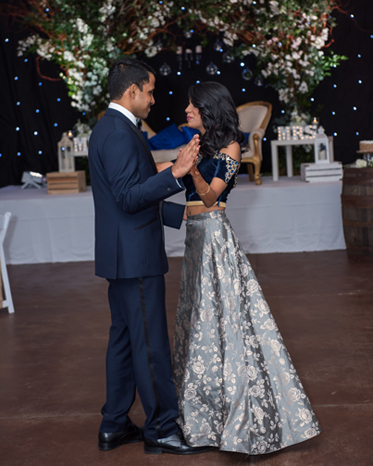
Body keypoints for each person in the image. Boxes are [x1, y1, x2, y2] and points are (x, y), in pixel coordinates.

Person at [170, 82, 322, 455]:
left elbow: (211, 195)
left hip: (213, 238)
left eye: (193, 104)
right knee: (196, 319)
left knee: (221, 321)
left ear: (208, 109)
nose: (186, 109)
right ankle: (202, 412)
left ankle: (236, 420)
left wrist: (189, 171)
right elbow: (168, 176)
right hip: (193, 237)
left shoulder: (231, 146)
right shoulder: (199, 145)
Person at [88, 57, 211, 456]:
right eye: (151, 91)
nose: (154, 100)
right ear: (132, 92)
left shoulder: (113, 127)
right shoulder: (120, 132)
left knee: (124, 340)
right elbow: (128, 197)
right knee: (152, 345)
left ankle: (114, 424)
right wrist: (175, 173)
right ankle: (161, 428)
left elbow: (131, 187)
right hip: (135, 256)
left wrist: (179, 207)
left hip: (121, 253)